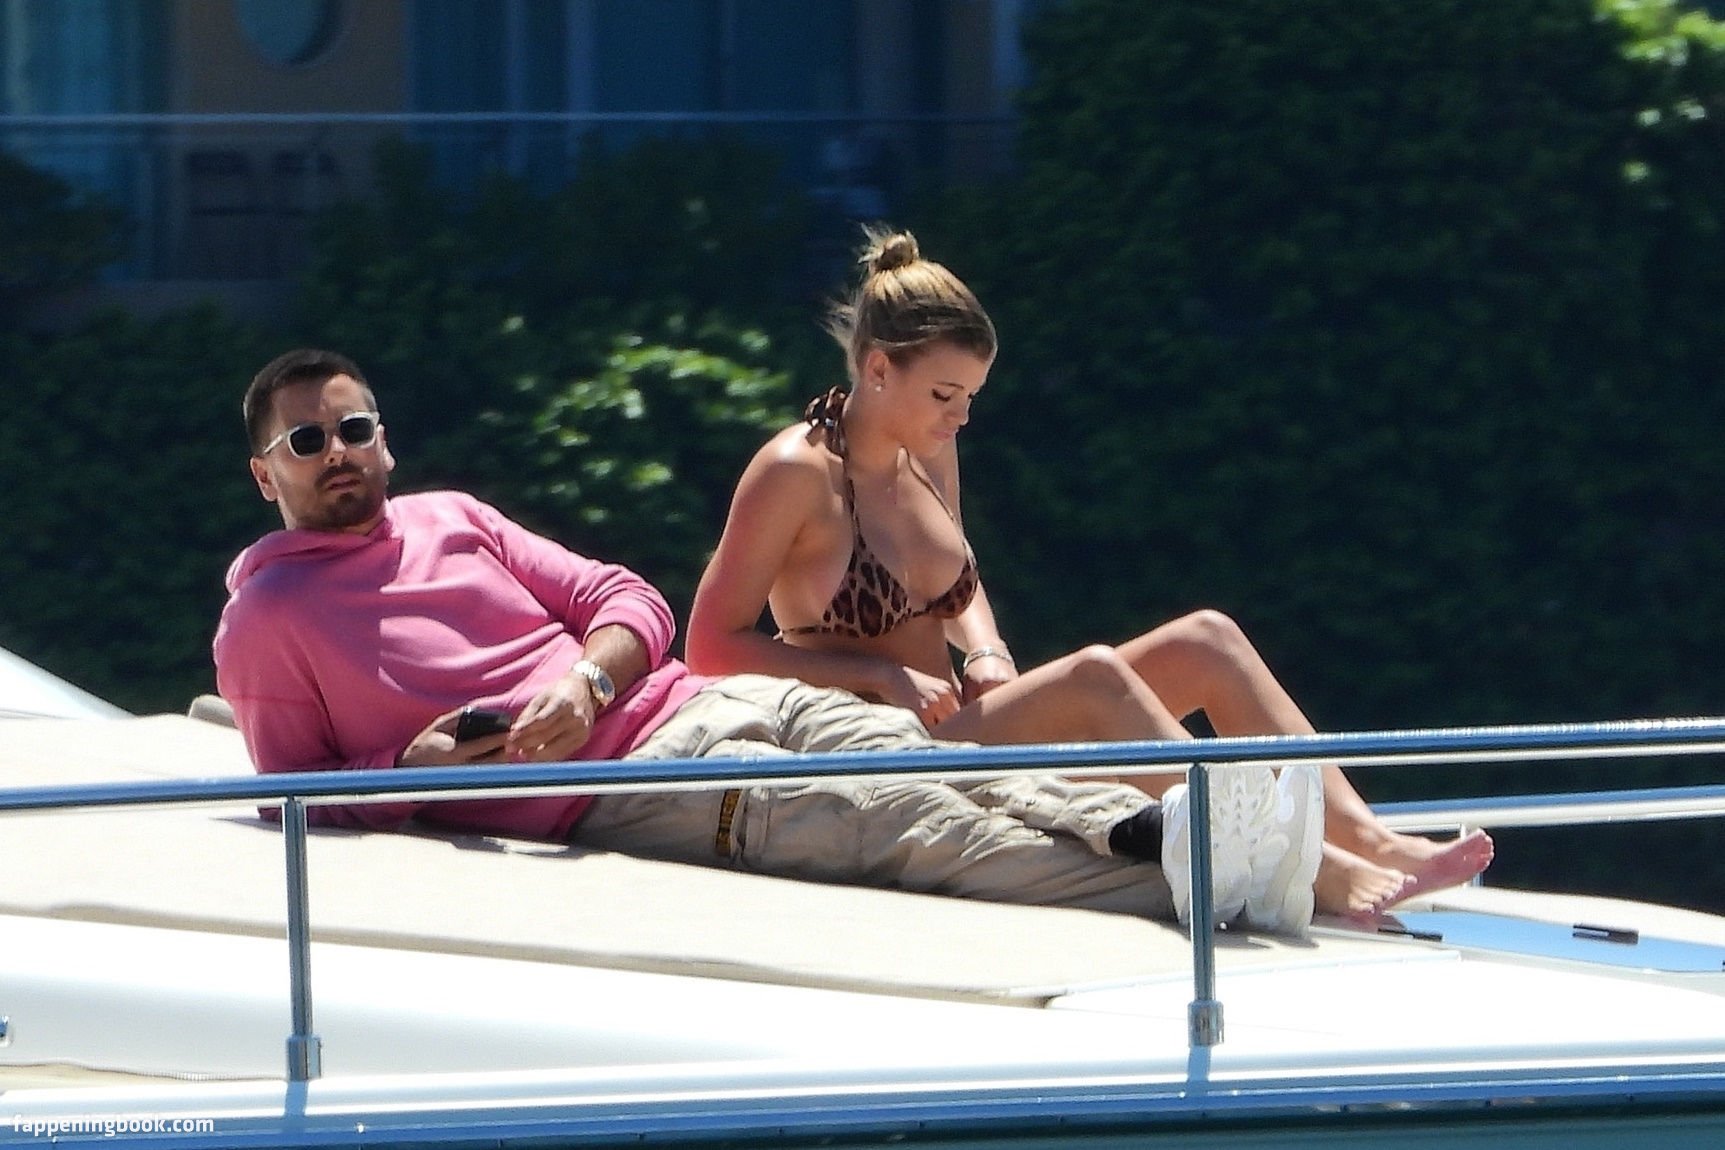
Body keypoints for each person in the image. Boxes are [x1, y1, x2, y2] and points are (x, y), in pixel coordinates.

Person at [212, 347, 1326, 934]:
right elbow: (294, 794)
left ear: (385, 440)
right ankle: (1196, 896)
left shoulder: (454, 518)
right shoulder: (269, 617)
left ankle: (1174, 835)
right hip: (630, 786)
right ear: (268, 476)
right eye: (307, 441)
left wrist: (588, 682)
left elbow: (629, 600)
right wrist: (414, 766)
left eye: (353, 427)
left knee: (926, 761)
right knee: (906, 825)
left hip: (694, 703)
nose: (337, 451)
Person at [684, 228, 1494, 921]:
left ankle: (1371, 838)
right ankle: (1313, 866)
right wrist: (878, 673)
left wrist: (987, 649)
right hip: (882, 753)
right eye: (944, 394)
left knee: (1206, 638)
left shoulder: (927, 446)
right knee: (1096, 674)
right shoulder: (794, 473)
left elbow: (956, 583)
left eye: (970, 397)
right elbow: (710, 647)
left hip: (963, 727)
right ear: (876, 369)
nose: (960, 416)